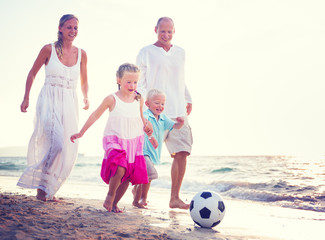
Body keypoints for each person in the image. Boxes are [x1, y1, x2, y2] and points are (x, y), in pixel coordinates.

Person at [17, 14, 89, 201]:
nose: (73, 31)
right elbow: (32, 73)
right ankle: (42, 188)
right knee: (55, 142)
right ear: (60, 28)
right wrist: (26, 97)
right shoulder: (48, 49)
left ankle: (48, 189)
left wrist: (86, 97)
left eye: (75, 28)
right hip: (49, 99)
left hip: (69, 103)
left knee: (67, 147)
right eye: (69, 27)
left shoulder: (81, 54)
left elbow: (84, 81)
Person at [70, 63, 153, 213]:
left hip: (134, 141)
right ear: (118, 80)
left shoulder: (139, 98)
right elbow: (95, 114)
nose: (132, 85)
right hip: (115, 139)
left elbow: (141, 118)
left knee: (127, 176)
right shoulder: (112, 98)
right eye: (128, 81)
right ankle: (110, 194)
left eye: (135, 82)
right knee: (120, 167)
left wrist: (149, 131)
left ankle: (114, 203)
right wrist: (81, 132)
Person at [136, 16, 193, 210]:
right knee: (148, 155)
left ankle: (174, 198)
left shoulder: (180, 53)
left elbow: (180, 78)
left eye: (169, 31)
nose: (166, 35)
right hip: (155, 112)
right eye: (162, 31)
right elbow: (140, 82)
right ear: (156, 30)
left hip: (177, 110)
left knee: (182, 151)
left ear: (174, 31)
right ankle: (141, 196)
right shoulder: (146, 52)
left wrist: (188, 98)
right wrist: (143, 108)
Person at [132, 89, 184, 208]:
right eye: (156, 103)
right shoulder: (145, 116)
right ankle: (141, 199)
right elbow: (139, 120)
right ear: (147, 104)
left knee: (145, 178)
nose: (160, 106)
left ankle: (138, 195)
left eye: (162, 104)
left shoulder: (163, 118)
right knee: (148, 175)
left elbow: (174, 126)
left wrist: (180, 123)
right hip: (143, 151)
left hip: (153, 153)